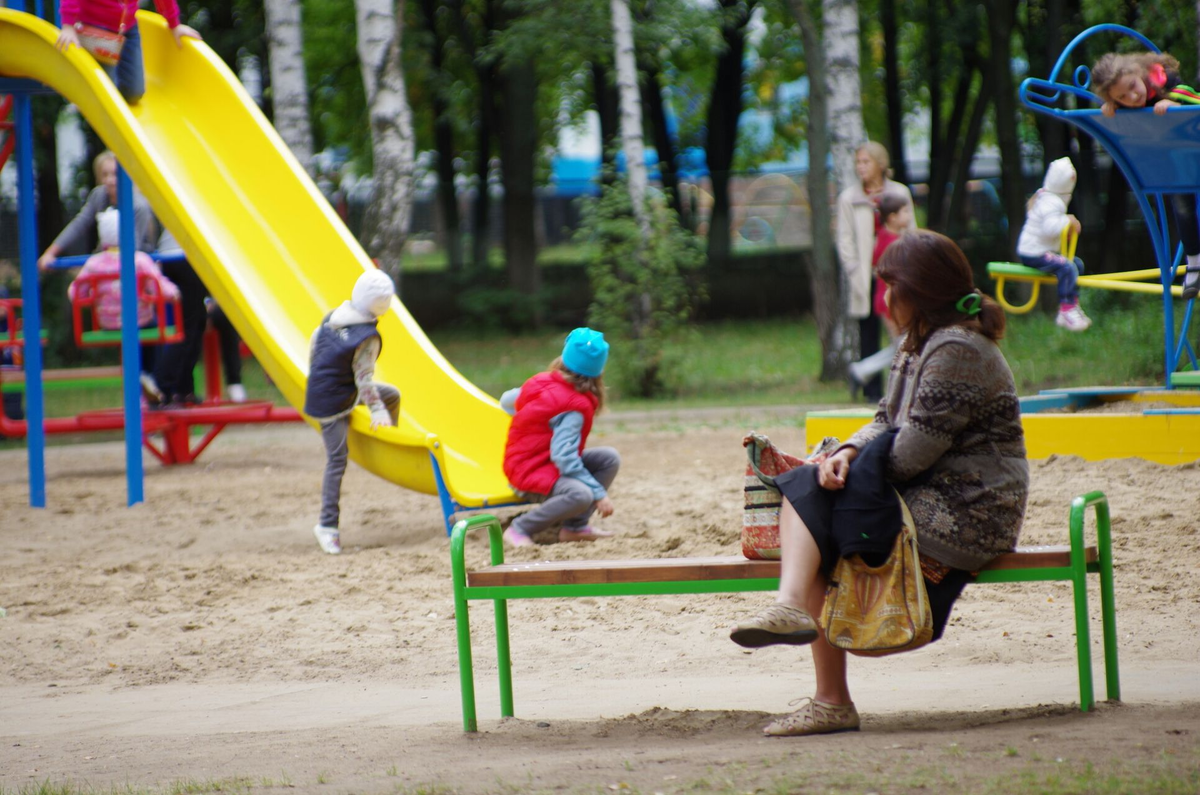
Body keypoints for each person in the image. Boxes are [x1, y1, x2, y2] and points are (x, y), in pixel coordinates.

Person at [730, 230, 1028, 737]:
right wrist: (845, 452)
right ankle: (802, 636)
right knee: (811, 491)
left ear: (922, 291)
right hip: (931, 493)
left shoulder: (957, 348)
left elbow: (911, 454)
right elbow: (884, 419)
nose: (885, 299)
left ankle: (810, 652)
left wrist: (840, 472)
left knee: (808, 492)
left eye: (893, 287)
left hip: (969, 508)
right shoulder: (919, 343)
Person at [303, 269, 400, 555]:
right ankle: (327, 525)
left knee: (393, 394)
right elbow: (364, 379)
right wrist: (377, 410)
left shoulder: (331, 317)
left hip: (327, 390)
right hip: (333, 403)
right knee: (337, 460)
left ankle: (390, 436)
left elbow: (313, 347)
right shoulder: (367, 337)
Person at [1091, 51, 1200, 300]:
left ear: (1138, 73)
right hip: (1180, 164)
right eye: (1121, 97)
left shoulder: (1171, 87)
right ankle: (1194, 262)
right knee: (1181, 204)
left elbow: (1195, 103)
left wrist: (1176, 106)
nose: (1132, 97)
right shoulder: (1122, 105)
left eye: (1132, 87)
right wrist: (1109, 107)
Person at [500, 328, 620, 547]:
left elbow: (506, 401)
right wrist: (598, 493)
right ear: (598, 371)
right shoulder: (574, 407)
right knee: (581, 495)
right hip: (528, 472)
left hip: (532, 462)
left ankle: (574, 528)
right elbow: (564, 457)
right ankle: (520, 528)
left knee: (608, 458)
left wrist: (535, 419)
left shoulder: (539, 382)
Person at [67, 208, 180, 401]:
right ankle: (148, 373)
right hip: (140, 320)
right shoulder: (139, 260)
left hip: (108, 323)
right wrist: (175, 293)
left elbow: (74, 292)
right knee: (154, 330)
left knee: (132, 338)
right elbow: (160, 286)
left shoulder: (94, 264)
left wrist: (94, 296)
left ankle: (139, 381)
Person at [836, 142, 917, 402]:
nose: (861, 167)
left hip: (897, 273)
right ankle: (873, 392)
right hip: (866, 275)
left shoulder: (899, 193)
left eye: (866, 162)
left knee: (903, 332)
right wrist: (853, 269)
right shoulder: (849, 198)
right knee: (869, 331)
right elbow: (844, 238)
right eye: (858, 162)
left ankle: (876, 378)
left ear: (881, 164)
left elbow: (911, 229)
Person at [55, 0, 201, 104]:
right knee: (106, 95)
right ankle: (87, 91)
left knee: (134, 94)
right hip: (97, 27)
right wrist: (68, 25)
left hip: (127, 27)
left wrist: (174, 24)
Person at [38, 151, 156, 271]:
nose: (110, 180)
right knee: (76, 286)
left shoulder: (139, 205)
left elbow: (132, 248)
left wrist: (101, 263)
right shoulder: (99, 196)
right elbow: (79, 224)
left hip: (137, 266)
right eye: (105, 175)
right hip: (107, 260)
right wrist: (51, 252)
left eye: (115, 174)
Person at [1016, 157, 1090, 331]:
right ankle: (1066, 308)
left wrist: (1066, 226)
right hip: (1034, 253)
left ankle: (1072, 303)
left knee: (1076, 264)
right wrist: (1068, 221)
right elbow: (1050, 228)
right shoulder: (1051, 202)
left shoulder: (1048, 198)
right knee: (1066, 267)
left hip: (1040, 251)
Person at [847, 192, 912, 387]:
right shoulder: (893, 243)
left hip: (887, 302)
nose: (909, 215)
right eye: (905, 211)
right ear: (892, 217)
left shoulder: (885, 236)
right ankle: (864, 371)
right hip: (891, 304)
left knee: (901, 345)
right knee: (904, 346)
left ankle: (861, 370)